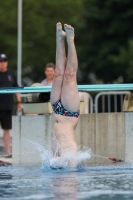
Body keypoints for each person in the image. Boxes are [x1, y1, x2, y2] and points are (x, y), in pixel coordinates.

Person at [50, 23, 80, 168]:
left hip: (57, 110)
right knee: (69, 76)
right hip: (68, 112)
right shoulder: (70, 159)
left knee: (58, 74)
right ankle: (70, 39)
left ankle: (59, 38)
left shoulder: (64, 159)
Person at [0, 54, 23, 157]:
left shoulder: (10, 74)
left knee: (7, 129)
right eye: (1, 61)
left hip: (7, 106)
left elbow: (16, 89)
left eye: (4, 60)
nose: (3, 62)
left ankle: (8, 152)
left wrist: (19, 102)